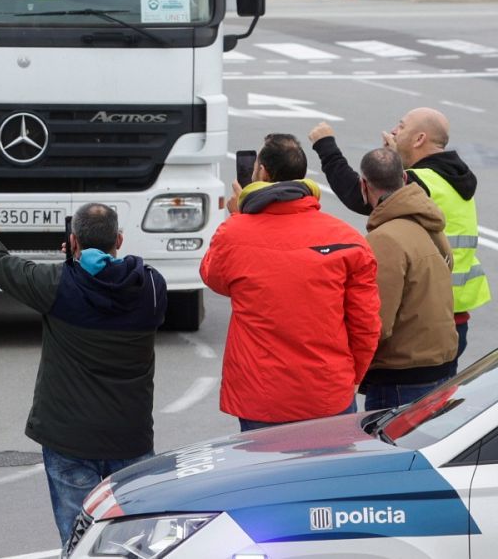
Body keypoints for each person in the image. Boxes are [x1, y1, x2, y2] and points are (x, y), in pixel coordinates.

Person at [0, 175, 167, 546]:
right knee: (136, 542)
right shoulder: (152, 289)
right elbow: (112, 284)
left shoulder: (57, 286)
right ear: (119, 241)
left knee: (78, 542)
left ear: (74, 241)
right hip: (130, 437)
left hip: (69, 440)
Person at [201, 133, 381, 431]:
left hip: (261, 395)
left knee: (265, 477)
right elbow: (366, 325)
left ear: (262, 173)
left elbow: (214, 278)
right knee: (326, 477)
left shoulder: (234, 233)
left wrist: (237, 216)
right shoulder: (347, 238)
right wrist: (348, 377)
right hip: (328, 392)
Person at [311, 110, 486, 359]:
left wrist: (326, 147)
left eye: (401, 127)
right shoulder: (452, 177)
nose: (393, 131)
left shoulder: (420, 181)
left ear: (419, 139)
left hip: (424, 318)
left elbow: (360, 195)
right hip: (452, 314)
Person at [356, 147, 460, 409]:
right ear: (403, 179)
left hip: (402, 376)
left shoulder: (384, 239)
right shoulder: (430, 225)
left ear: (364, 185)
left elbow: (377, 322)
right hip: (439, 365)